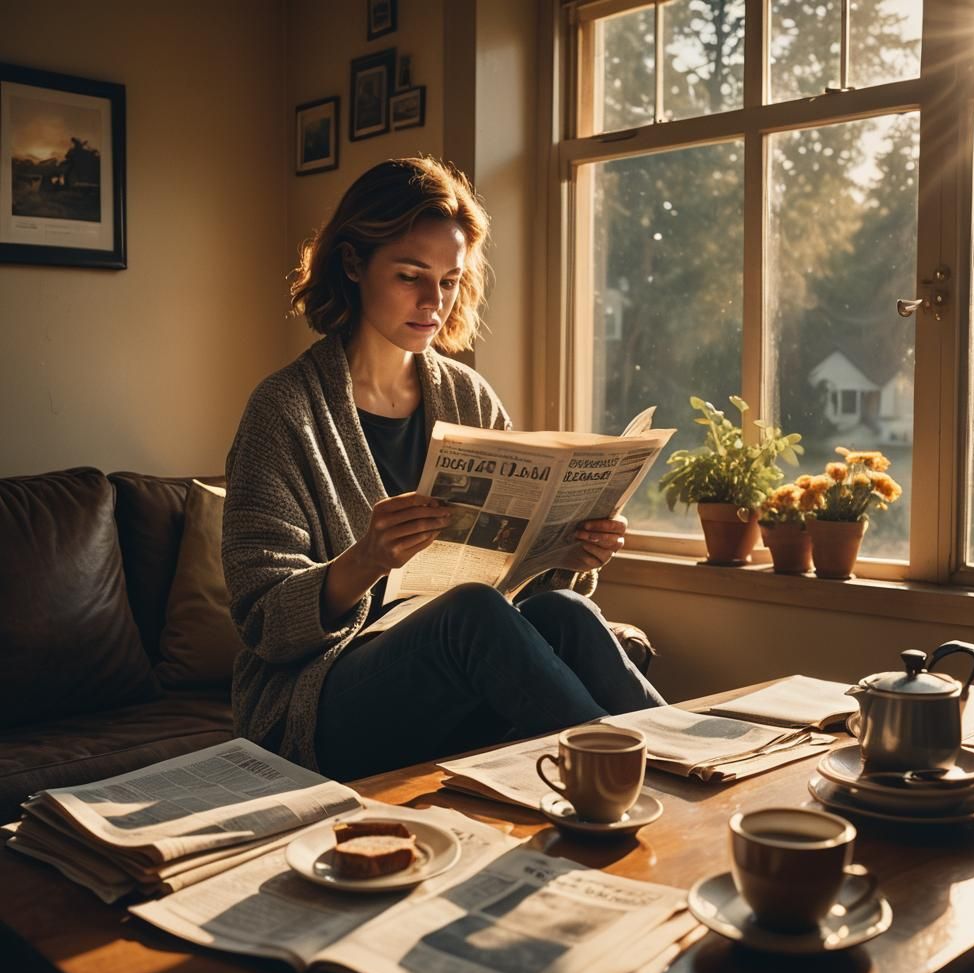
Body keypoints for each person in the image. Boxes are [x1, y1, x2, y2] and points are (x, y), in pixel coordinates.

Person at [222, 156, 665, 781]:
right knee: (472, 610)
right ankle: (620, 781)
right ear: (353, 265)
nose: (434, 302)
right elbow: (262, 620)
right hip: (317, 704)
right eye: (411, 276)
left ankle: (691, 759)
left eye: (451, 281)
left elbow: (520, 588)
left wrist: (572, 552)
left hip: (449, 680)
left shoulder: (468, 397)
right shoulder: (284, 412)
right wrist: (367, 557)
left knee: (565, 610)